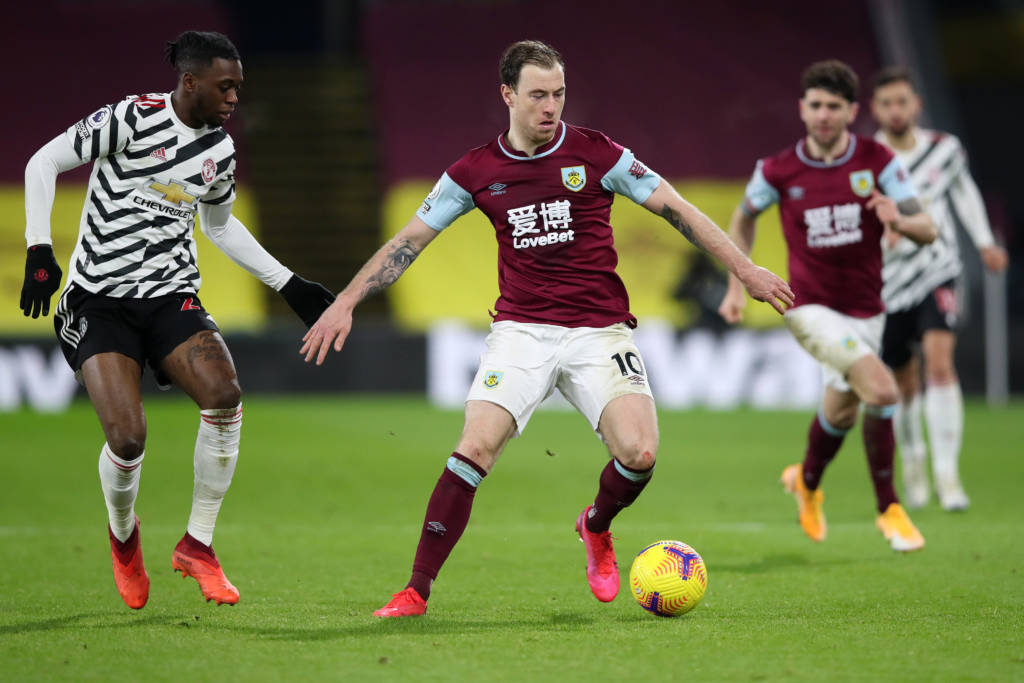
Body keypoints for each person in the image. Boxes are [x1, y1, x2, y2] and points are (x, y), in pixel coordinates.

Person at [302, 40, 793, 617]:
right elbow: (409, 240)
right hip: (521, 331)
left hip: (599, 330)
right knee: (474, 447)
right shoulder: (473, 171)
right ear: (507, 95)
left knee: (639, 453)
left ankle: (596, 525)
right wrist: (347, 300)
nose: (550, 106)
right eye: (537, 95)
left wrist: (745, 270)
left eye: (558, 94)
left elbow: (678, 209)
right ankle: (415, 591)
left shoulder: (598, 153)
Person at [20, 30, 335, 609]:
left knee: (225, 395)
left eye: (238, 87)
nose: (234, 98)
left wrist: (287, 283)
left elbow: (218, 225)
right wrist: (39, 248)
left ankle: (198, 545)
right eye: (225, 86)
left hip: (170, 296)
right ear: (190, 81)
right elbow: (44, 161)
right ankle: (123, 537)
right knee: (127, 439)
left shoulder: (220, 150)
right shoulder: (129, 119)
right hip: (99, 300)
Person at [718, 60, 937, 552]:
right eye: (815, 105)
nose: (823, 115)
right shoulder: (777, 170)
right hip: (808, 308)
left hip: (868, 310)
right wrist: (737, 283)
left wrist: (899, 221)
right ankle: (890, 509)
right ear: (802, 108)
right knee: (882, 391)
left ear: (852, 112)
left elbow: (928, 229)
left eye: (833, 107)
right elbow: (743, 218)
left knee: (840, 413)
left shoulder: (878, 161)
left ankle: (807, 481)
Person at [870, 66, 1008, 511]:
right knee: (903, 381)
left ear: (916, 104)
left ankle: (948, 476)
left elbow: (964, 193)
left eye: (902, 101)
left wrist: (984, 242)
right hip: (889, 280)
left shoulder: (943, 150)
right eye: (887, 103)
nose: (895, 110)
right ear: (875, 109)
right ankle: (914, 459)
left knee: (941, 365)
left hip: (938, 268)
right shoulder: (868, 158)